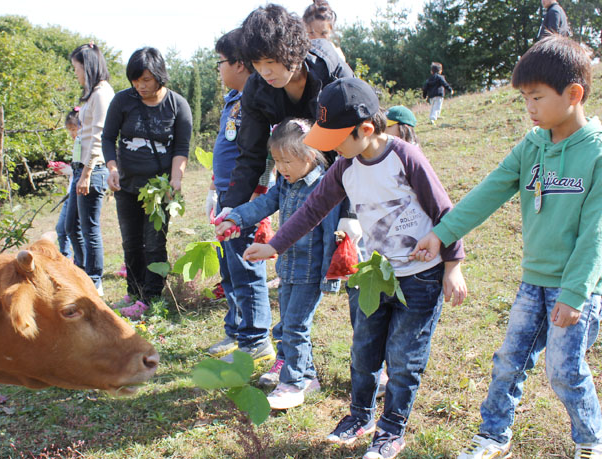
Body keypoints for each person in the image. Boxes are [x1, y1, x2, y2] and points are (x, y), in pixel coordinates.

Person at [244, 77, 467, 459]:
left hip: (421, 276)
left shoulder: (405, 157)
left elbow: (444, 212)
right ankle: (359, 416)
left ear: (366, 129)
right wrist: (274, 244)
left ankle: (391, 430)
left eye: (336, 140)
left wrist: (453, 266)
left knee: (404, 358)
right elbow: (313, 209)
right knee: (364, 351)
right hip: (375, 276)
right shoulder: (346, 166)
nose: (332, 150)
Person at [410, 35, 602, 459]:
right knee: (507, 362)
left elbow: (596, 235)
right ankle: (493, 435)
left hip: (578, 287)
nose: (529, 108)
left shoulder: (597, 153)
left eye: (536, 97)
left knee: (564, 370)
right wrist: (442, 234)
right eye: (524, 99)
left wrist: (574, 294)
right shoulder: (532, 146)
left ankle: (591, 439)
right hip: (533, 281)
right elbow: (488, 193)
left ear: (574, 95)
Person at [216, 118, 345, 409]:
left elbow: (330, 236)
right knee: (288, 323)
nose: (282, 168)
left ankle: (292, 383)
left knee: (295, 327)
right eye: (276, 161)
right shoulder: (284, 185)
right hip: (287, 269)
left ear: (310, 155)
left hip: (310, 272)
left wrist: (330, 277)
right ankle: (307, 376)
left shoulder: (324, 188)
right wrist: (234, 217)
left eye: (287, 161)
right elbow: (262, 204)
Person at [218, 3, 353, 212]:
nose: (265, 71)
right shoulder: (256, 89)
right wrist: (230, 206)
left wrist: (349, 213)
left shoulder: (329, 69)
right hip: (295, 181)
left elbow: (355, 141)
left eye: (271, 61)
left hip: (344, 171)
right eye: (257, 63)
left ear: (293, 50)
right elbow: (251, 154)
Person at [204, 29, 274, 362]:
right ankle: (236, 329)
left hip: (246, 199)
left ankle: (255, 339)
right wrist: (214, 189)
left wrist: (255, 198)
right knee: (230, 268)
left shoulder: (259, 100)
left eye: (221, 62)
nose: (218, 69)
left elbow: (261, 155)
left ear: (241, 64)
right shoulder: (233, 100)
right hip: (227, 196)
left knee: (247, 266)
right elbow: (226, 151)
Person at [103, 47, 192, 302]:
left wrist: (176, 179)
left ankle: (152, 297)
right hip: (127, 185)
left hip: (159, 188)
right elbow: (108, 137)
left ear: (158, 76)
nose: (140, 86)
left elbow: (181, 147)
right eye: (135, 80)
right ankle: (134, 293)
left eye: (146, 80)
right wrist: (112, 168)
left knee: (154, 243)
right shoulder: (122, 101)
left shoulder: (177, 105)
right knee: (131, 243)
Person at [68, 43, 114, 296]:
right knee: (71, 226)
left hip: (92, 170)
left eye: (77, 68)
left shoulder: (102, 93)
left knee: (88, 227)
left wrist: (86, 173)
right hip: (81, 168)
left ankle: (94, 280)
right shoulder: (91, 93)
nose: (76, 73)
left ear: (88, 66)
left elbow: (98, 136)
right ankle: (83, 273)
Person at [51, 108, 80, 258]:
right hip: (70, 192)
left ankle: (75, 261)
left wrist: (66, 170)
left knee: (70, 230)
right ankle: (67, 259)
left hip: (78, 192)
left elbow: (81, 169)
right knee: (63, 230)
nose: (72, 134)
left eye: (74, 129)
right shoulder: (77, 145)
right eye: (69, 130)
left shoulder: (87, 143)